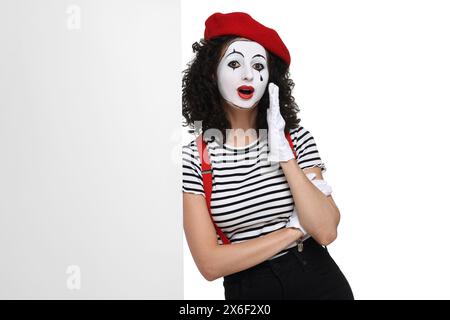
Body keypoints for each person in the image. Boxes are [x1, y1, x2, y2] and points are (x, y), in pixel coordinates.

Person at [182, 12, 354, 300]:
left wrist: (285, 156)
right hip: (249, 290)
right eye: (234, 63)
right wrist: (293, 232)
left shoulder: (296, 140)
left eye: (258, 65)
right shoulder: (195, 159)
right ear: (211, 73)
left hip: (319, 280)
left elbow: (325, 231)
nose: (248, 74)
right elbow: (209, 264)